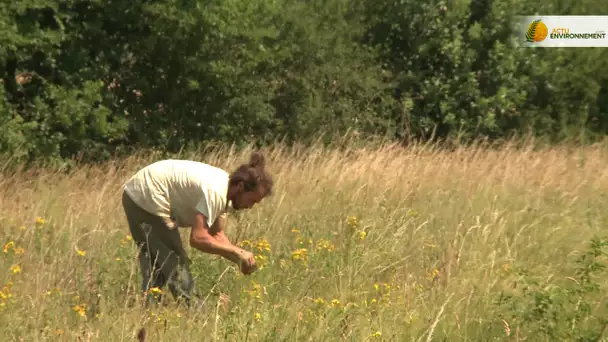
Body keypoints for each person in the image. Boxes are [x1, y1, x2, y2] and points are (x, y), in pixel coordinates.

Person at [120, 152, 273, 306]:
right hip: (146, 195)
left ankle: (147, 313)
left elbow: (216, 233)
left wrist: (239, 260)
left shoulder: (227, 191)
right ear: (240, 186)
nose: (251, 207)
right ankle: (196, 313)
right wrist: (238, 253)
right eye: (252, 200)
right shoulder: (216, 193)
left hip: (138, 193)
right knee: (175, 262)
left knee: (158, 266)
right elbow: (198, 238)